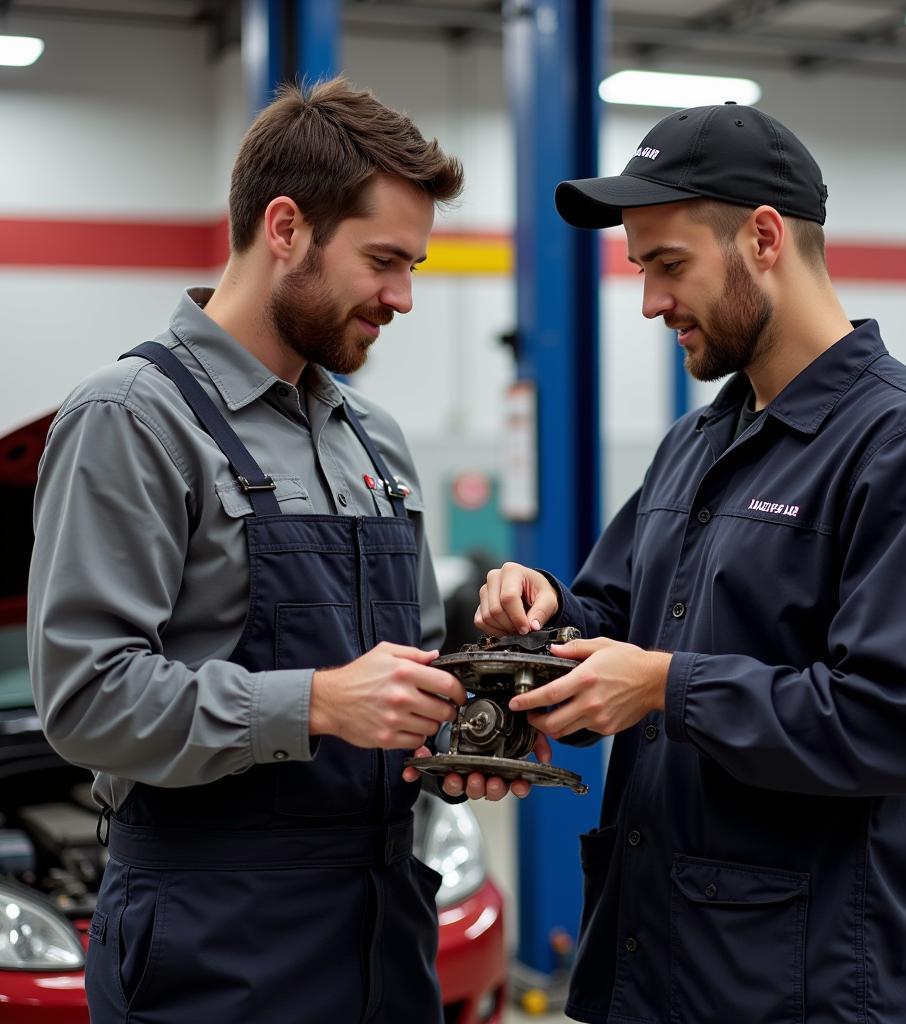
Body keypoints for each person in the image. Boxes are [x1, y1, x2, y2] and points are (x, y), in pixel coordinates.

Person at [476, 103, 906, 1024]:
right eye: (642, 270)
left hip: (822, 991)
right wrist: (541, 622)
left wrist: (664, 688)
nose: (649, 302)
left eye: (669, 264)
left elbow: (896, 723)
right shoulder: (695, 442)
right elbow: (612, 616)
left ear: (764, 237)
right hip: (660, 970)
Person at [27, 77, 536, 1024]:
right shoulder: (134, 419)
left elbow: (411, 671)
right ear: (287, 227)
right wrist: (316, 703)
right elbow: (86, 698)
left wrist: (462, 729)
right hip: (213, 946)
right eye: (384, 260)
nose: (405, 297)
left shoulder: (373, 440)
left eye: (414, 264)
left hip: (384, 933)